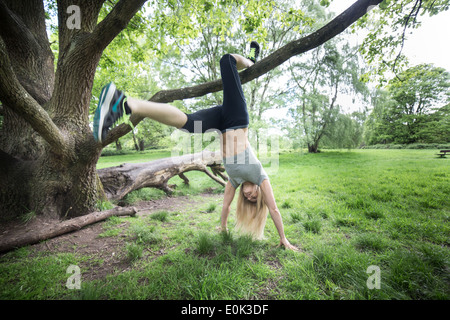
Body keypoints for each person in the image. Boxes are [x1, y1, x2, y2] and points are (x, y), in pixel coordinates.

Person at [93, 42, 298, 251]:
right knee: (227, 60)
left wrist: (223, 227)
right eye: (254, 196)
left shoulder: (235, 181)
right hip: (236, 118)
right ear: (258, 190)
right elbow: (273, 209)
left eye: (248, 199)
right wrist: (284, 238)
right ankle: (252, 60)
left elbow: (226, 205)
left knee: (187, 124)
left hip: (220, 124)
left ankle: (122, 103)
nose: (249, 195)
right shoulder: (260, 176)